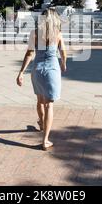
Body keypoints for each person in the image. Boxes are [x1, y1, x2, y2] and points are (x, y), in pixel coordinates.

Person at [16, 9, 67, 151]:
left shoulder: (35, 33)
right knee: (49, 105)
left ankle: (41, 123)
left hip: (37, 70)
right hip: (52, 70)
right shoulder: (58, 34)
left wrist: (20, 72)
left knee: (39, 101)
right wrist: (64, 63)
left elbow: (29, 53)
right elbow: (62, 51)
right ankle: (45, 140)